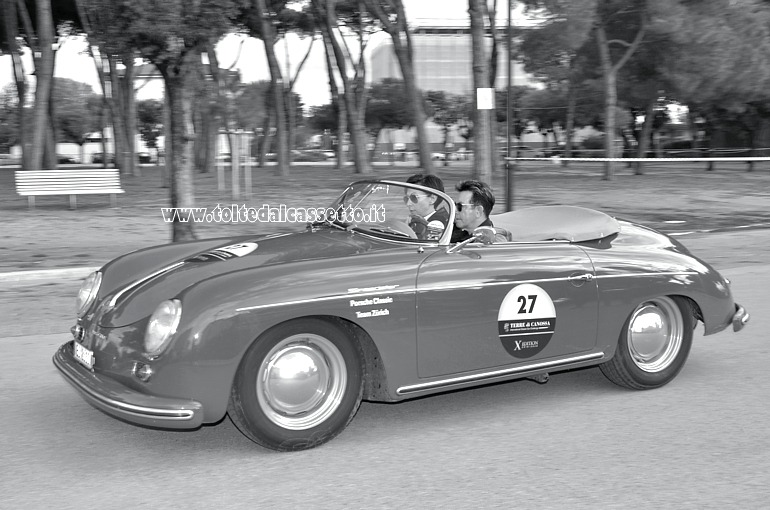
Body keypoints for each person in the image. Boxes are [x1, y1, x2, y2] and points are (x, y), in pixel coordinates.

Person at [404, 174, 449, 240]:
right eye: (406, 198)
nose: (408, 203)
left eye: (414, 198)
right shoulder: (415, 222)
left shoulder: (438, 225)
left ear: (432, 199)